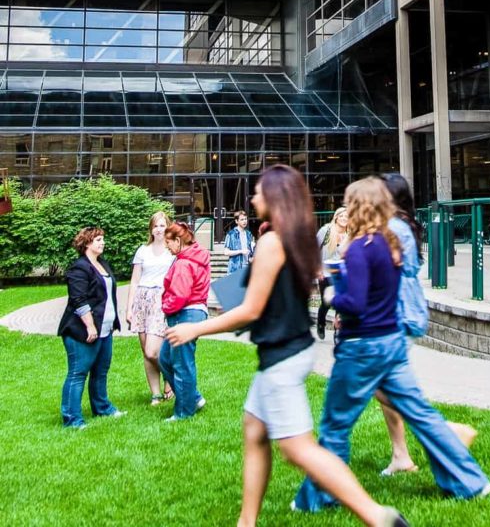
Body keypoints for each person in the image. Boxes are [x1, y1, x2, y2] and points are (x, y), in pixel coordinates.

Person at [166, 166, 408, 527]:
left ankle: (378, 516)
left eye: (259, 192)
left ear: (275, 197)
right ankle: (246, 521)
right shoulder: (297, 239)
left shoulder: (271, 242)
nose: (253, 198)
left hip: (282, 356)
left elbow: (252, 308)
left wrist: (195, 329)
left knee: (297, 449)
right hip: (287, 350)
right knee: (254, 431)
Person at [293, 176, 490, 514]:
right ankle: (471, 481)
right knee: (422, 414)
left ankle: (319, 497)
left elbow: (355, 303)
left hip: (362, 347)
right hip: (392, 343)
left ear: (359, 207)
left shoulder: (360, 248)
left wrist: (331, 295)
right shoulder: (390, 243)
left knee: (335, 425)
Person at [377, 173, 477, 477]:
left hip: (395, 313)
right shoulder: (401, 224)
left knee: (380, 384)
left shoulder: (393, 228)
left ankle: (446, 431)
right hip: (400, 310)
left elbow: (382, 271)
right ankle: (401, 455)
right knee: (386, 385)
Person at [57, 227, 125, 428]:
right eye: (98, 239)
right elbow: (78, 299)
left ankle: (102, 408)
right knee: (78, 373)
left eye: (103, 239)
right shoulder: (79, 268)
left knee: (101, 371)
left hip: (105, 329)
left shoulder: (102, 264)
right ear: (87, 243)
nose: (102, 242)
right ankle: (72, 419)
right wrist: (90, 326)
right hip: (81, 332)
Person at [160, 221, 210, 421]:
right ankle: (192, 398)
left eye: (168, 242)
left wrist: (165, 306)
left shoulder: (183, 263)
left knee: (181, 363)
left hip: (185, 314)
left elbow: (179, 295)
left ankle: (183, 412)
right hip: (193, 312)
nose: (166, 246)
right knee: (165, 358)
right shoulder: (193, 257)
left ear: (178, 240)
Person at [126, 211, 175, 405]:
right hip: (142, 300)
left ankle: (170, 380)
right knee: (145, 351)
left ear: (168, 227)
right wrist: (129, 308)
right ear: (151, 229)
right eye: (155, 226)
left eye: (162, 225)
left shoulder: (171, 251)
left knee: (152, 351)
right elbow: (135, 280)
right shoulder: (143, 251)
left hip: (161, 300)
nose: (159, 229)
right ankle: (155, 393)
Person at [315, 207, 348, 340]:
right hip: (325, 272)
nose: (344, 218)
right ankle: (321, 323)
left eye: (347, 216)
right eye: (342, 216)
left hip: (342, 273)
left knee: (340, 302)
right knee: (326, 302)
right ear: (336, 217)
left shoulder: (350, 234)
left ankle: (337, 331)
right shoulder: (326, 231)